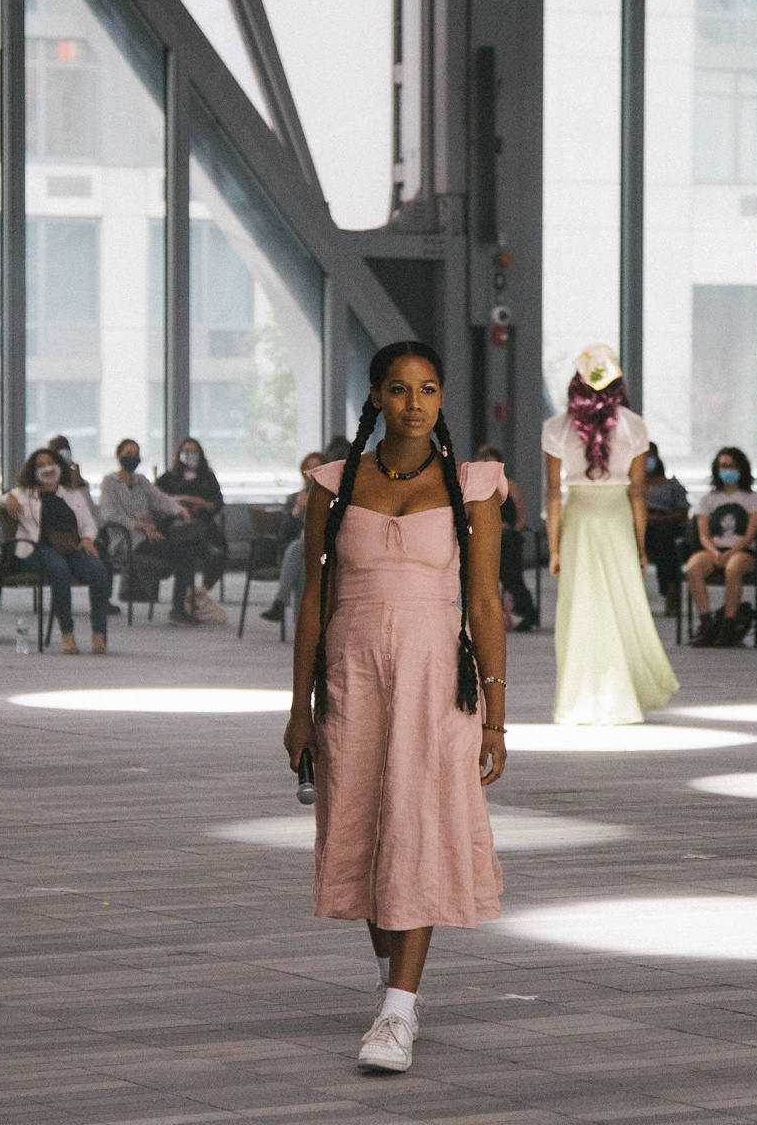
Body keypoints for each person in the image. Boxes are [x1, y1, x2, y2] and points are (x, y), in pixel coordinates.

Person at [281, 340, 507, 1075]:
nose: (416, 403)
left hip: (439, 678)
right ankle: (394, 988)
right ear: (376, 396)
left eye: (430, 389)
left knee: (420, 828)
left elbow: (484, 604)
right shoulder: (334, 484)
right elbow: (315, 599)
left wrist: (498, 718)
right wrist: (299, 707)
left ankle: (399, 1010)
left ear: (442, 400)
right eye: (401, 389)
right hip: (353, 676)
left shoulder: (471, 485)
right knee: (368, 830)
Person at [543, 344, 678, 722]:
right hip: (617, 517)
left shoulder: (556, 428)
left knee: (580, 608)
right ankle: (623, 697)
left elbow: (553, 494)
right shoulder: (635, 426)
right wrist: (640, 547)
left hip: (579, 520)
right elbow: (638, 492)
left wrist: (553, 547)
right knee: (620, 606)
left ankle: (578, 700)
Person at [0, 447, 112, 655]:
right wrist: (8, 499)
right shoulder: (24, 494)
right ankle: (67, 632)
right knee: (60, 570)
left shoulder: (73, 494)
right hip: (37, 549)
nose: (47, 468)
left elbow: (89, 523)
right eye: (41, 465)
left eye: (50, 463)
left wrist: (88, 538)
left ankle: (99, 632)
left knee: (98, 570)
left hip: (72, 546)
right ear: (33, 471)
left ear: (59, 467)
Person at [99, 437, 204, 626]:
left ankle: (181, 606)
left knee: (187, 552)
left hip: (150, 536)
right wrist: (137, 525)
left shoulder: (141, 481)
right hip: (127, 540)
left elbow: (161, 499)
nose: (133, 458)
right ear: (119, 455)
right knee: (183, 555)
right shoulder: (110, 482)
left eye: (136, 454)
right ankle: (178, 609)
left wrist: (180, 510)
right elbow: (109, 516)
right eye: (128, 454)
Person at [684, 446, 757, 645]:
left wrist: (731, 552)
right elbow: (704, 535)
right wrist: (713, 552)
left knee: (733, 567)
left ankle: (729, 624)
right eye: (723, 466)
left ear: (741, 469)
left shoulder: (754, 500)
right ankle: (706, 622)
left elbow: (749, 535)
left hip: (742, 550)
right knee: (693, 567)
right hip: (713, 549)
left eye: (731, 466)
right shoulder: (706, 500)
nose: (727, 470)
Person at [156, 437, 227, 619]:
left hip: (202, 525)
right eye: (186, 452)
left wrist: (196, 501)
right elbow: (158, 501)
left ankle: (200, 591)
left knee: (219, 550)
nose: (190, 456)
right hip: (175, 527)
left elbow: (216, 504)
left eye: (194, 452)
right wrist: (179, 502)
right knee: (186, 551)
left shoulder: (208, 478)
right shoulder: (169, 478)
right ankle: (182, 602)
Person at [474, 445, 539, 631]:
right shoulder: (475, 488)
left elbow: (521, 518)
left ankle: (524, 610)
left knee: (508, 567)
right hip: (485, 536)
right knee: (498, 569)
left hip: (509, 537)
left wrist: (510, 531)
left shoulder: (509, 486)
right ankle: (521, 610)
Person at [260, 451, 325, 625]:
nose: (311, 471)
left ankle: (280, 603)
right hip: (296, 554)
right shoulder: (294, 498)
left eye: (316, 467)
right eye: (308, 468)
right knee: (300, 556)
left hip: (324, 552)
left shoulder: (332, 496)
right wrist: (297, 510)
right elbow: (285, 534)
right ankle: (302, 627)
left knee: (299, 550)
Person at [640, 441, 689, 618]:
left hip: (665, 524)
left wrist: (660, 518)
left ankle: (670, 591)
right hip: (639, 525)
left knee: (665, 542)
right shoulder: (631, 487)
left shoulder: (671, 485)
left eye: (649, 456)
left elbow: (682, 512)